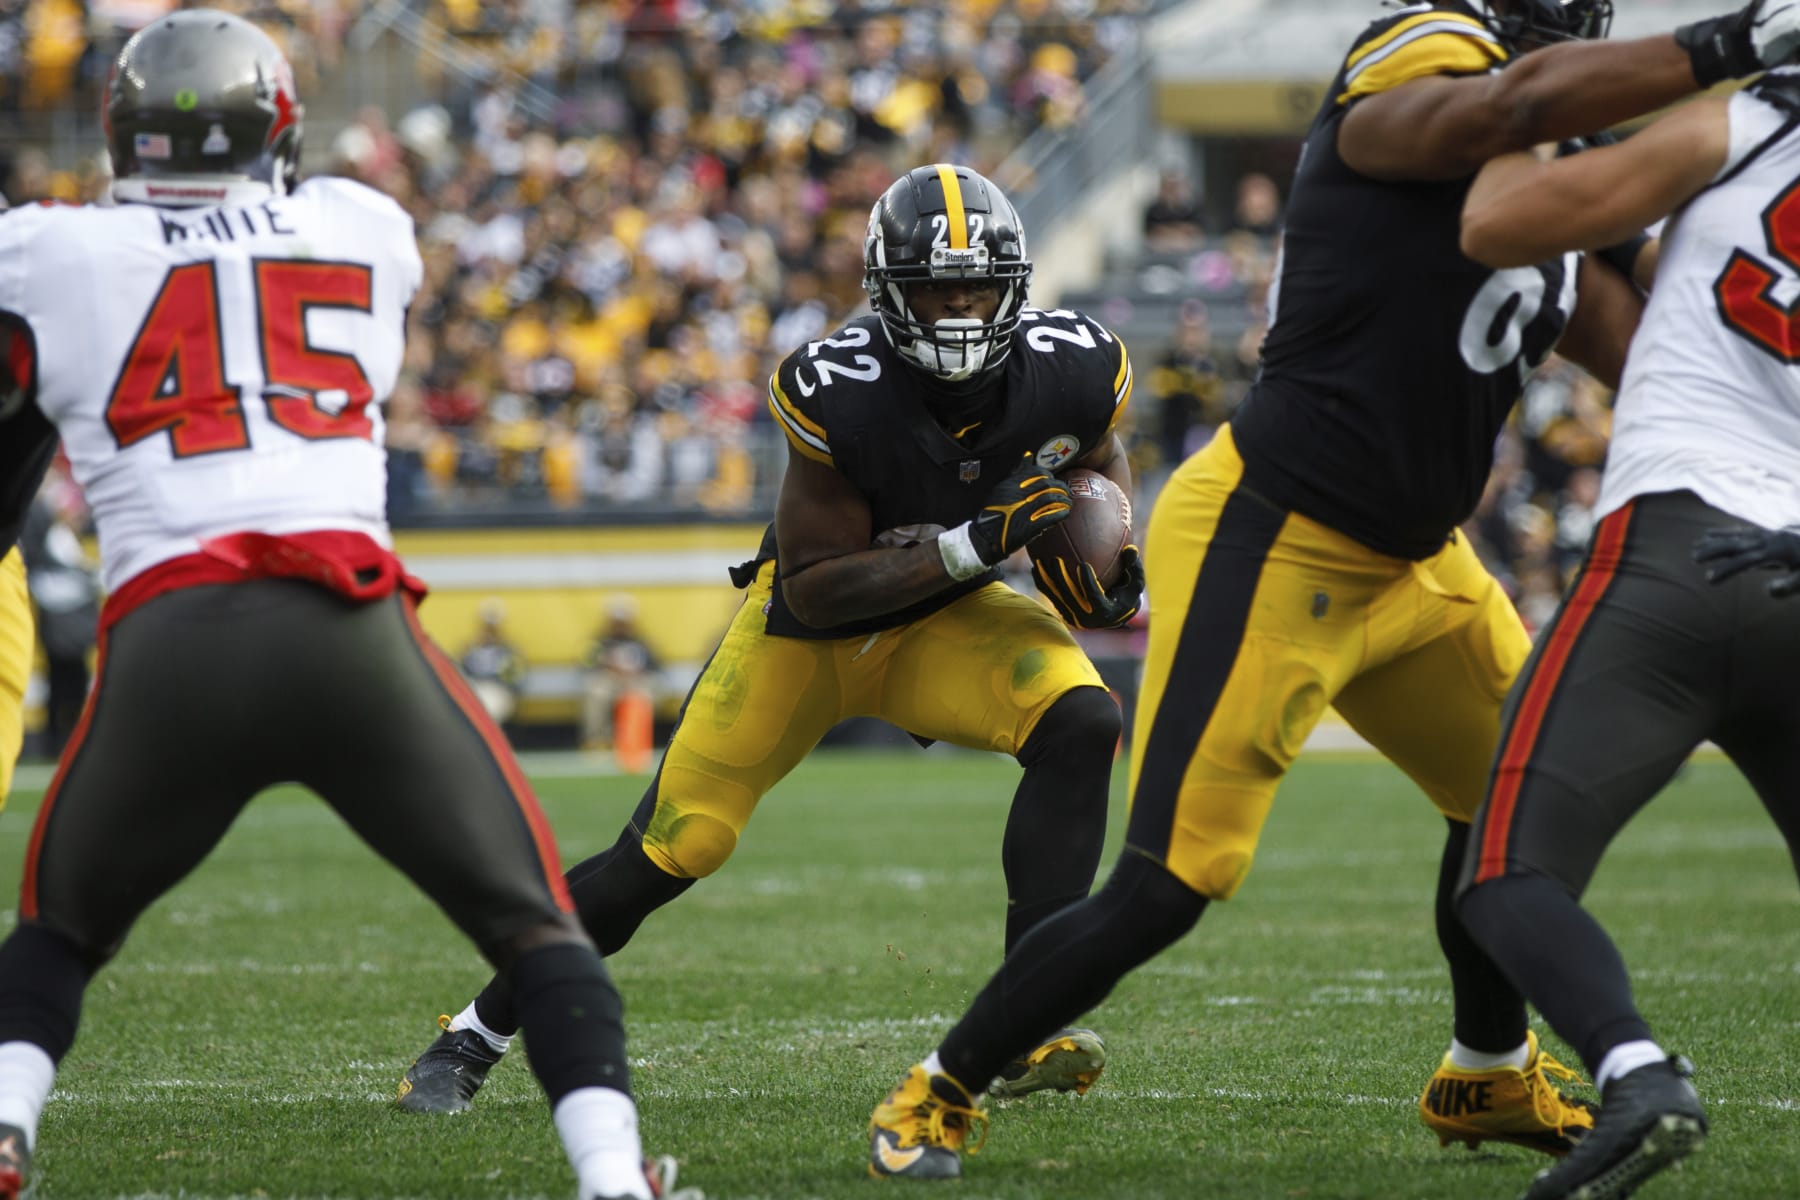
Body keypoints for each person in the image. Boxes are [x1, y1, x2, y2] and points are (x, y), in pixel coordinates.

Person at [867, 0, 1800, 1180]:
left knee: (1505, 822)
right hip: (1277, 536)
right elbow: (1506, 103)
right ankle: (940, 1085)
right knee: (1169, 883)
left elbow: (1666, 343)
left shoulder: (1560, 169)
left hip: (1421, 561)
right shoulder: (1423, 53)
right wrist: (1734, 44)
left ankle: (1487, 1070)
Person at [0, 14, 694, 1200]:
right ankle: (612, 1177)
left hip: (174, 637)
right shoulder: (363, 223)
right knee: (536, 927)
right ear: (278, 132)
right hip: (348, 628)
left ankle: (9, 1124)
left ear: (122, 134)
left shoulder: (42, 251)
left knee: (59, 931)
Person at [394, 163, 1144, 1127]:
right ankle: (470, 1035)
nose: (959, 310)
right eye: (934, 290)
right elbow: (815, 586)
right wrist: (976, 542)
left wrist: (1109, 557)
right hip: (811, 634)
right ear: (887, 293)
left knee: (1081, 721)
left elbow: (1095, 459)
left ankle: (1027, 1017)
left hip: (947, 621)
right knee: (671, 849)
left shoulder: (1077, 366)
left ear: (1015, 288)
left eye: (976, 288)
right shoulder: (838, 386)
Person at [1453, 67, 1800, 1200]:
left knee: (1503, 876)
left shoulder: (1745, 121)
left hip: (1678, 550)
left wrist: (1533, 116)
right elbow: (1666, 265)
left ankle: (1637, 1072)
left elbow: (1497, 220)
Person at [579, 595, 663, 752]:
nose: (620, 626)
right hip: (609, 681)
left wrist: (637, 675)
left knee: (646, 694)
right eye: (616, 621)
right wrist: (607, 667)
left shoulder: (642, 642)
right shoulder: (599, 643)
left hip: (636, 682)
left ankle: (636, 740)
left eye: (623, 621)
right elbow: (586, 667)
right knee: (597, 692)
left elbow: (656, 668)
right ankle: (598, 740)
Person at [459, 598, 527, 730]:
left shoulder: (508, 651)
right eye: (486, 626)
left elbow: (515, 681)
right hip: (474, 689)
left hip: (499, 691)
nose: (489, 630)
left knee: (489, 705)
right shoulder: (469, 650)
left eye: (493, 626)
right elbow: (460, 674)